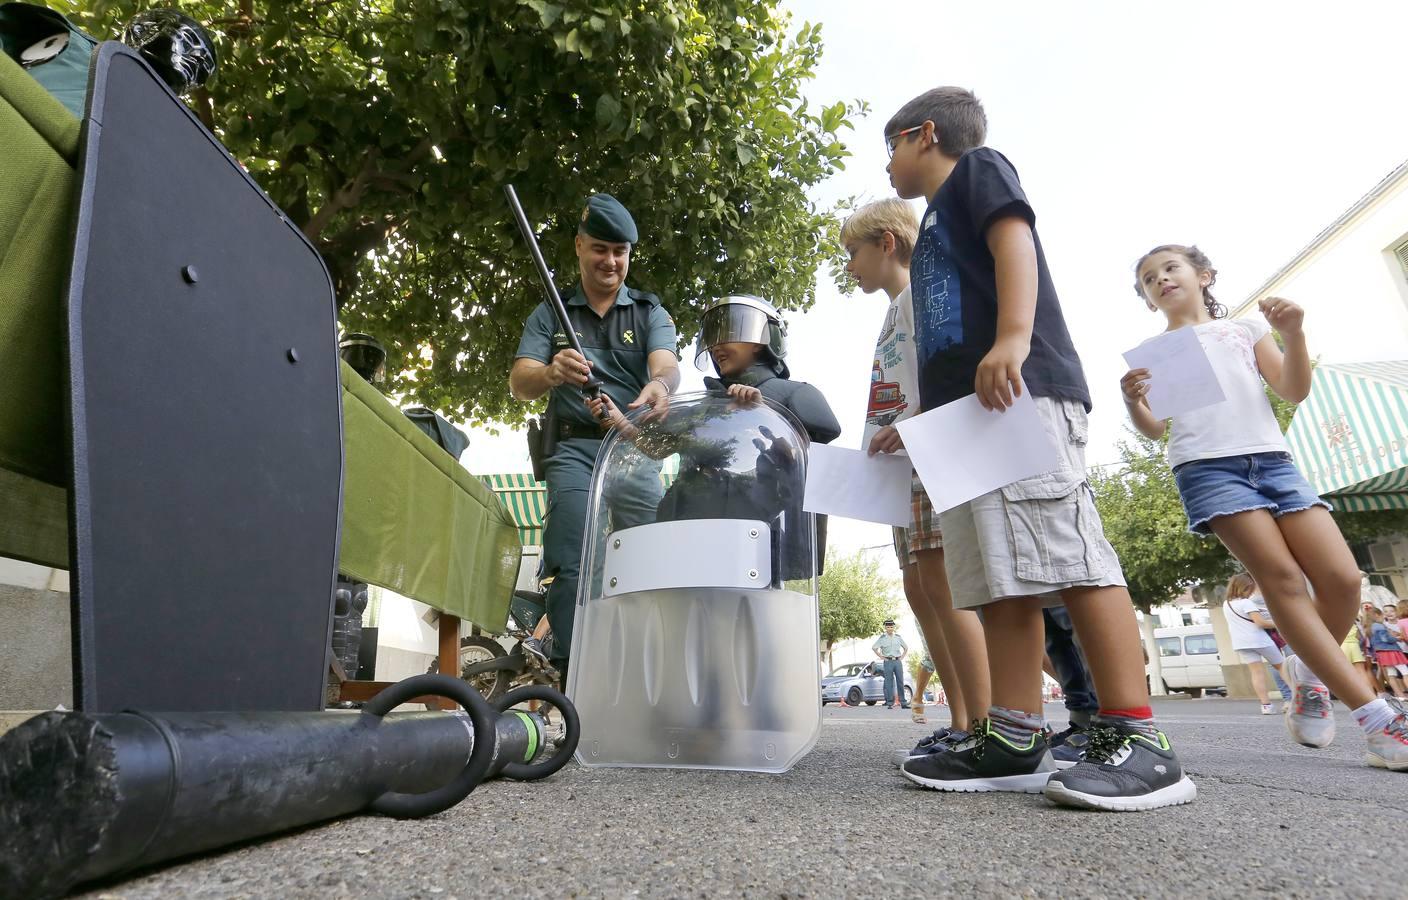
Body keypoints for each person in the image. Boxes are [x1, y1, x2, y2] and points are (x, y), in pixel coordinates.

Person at [885, 87, 1193, 810]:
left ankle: (1139, 735)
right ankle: (1016, 733)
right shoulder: (931, 225)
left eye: (891, 146)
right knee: (996, 577)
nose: (889, 165)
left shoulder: (978, 171)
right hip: (965, 417)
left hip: (1021, 394)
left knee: (1070, 552)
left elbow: (1013, 239)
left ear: (924, 135)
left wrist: (1014, 337)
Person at [1122, 243, 1408, 771]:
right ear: (1146, 298)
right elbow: (1157, 429)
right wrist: (1133, 401)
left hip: (1275, 462)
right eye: (1147, 279)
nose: (1160, 279)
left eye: (1170, 268)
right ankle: (1377, 720)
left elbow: (1293, 389)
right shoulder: (1151, 351)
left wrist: (1294, 333)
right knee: (1282, 581)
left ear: (1203, 275)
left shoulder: (1246, 330)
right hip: (1207, 468)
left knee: (1343, 578)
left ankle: (1309, 676)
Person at [840, 198, 990, 755]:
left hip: (932, 455)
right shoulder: (893, 310)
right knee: (920, 586)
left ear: (887, 243)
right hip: (899, 466)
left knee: (944, 585)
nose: (849, 265)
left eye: (853, 252)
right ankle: (963, 720)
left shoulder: (924, 300)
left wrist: (917, 428)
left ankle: (984, 726)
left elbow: (950, 376)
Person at [510, 194, 681, 673]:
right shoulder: (550, 313)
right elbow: (520, 381)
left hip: (631, 446)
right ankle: (576, 674)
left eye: (620, 252)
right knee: (573, 558)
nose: (611, 261)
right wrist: (549, 373)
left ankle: (650, 672)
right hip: (574, 449)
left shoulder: (650, 311)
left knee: (650, 556)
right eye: (600, 249)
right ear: (580, 246)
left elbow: (667, 366)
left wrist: (659, 385)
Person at [1222, 573, 1288, 714]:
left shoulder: (1226, 604)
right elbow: (1260, 623)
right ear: (1246, 587)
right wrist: (1279, 624)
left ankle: (1266, 706)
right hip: (1259, 640)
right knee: (1282, 666)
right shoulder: (1246, 602)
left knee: (1256, 673)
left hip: (1241, 643)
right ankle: (1300, 699)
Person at [1366, 607, 1408, 699]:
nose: (1383, 617)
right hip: (1391, 651)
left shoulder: (1370, 628)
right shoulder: (1379, 626)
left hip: (1381, 653)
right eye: (1382, 615)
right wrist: (1397, 639)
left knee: (1391, 674)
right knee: (1405, 671)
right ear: (1377, 615)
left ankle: (1400, 695)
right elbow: (1386, 639)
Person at [873, 619, 910, 709]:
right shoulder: (882, 638)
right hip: (888, 661)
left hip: (897, 661)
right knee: (889, 682)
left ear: (894, 627)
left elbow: (906, 647)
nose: (890, 628)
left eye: (891, 627)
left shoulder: (898, 637)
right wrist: (882, 657)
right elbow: (874, 648)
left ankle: (903, 703)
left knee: (900, 681)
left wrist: (902, 657)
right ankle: (890, 703)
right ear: (885, 627)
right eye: (888, 627)